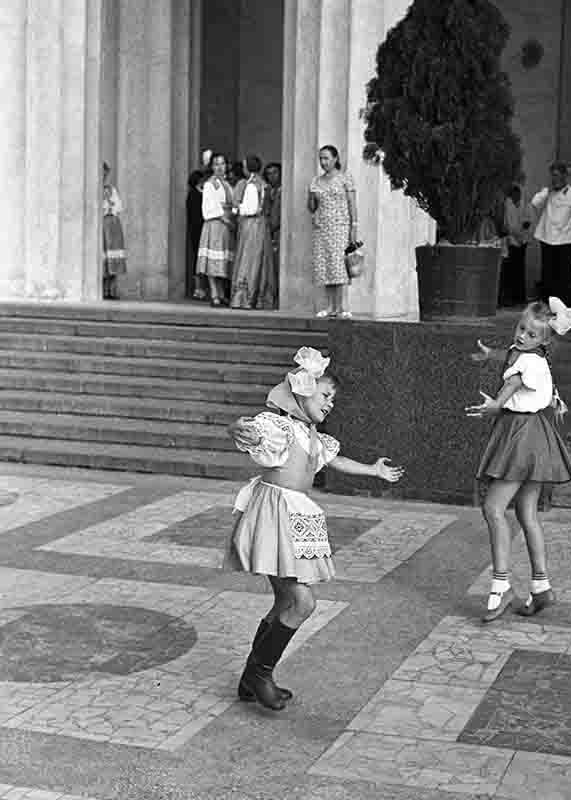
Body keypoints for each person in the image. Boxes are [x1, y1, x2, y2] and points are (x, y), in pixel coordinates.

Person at [225, 346, 404, 709]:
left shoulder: (310, 435)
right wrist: (238, 428)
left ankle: (251, 679)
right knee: (301, 600)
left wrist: (372, 469)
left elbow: (335, 458)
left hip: (288, 518)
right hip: (273, 517)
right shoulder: (278, 428)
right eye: (325, 395)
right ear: (303, 391)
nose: (330, 403)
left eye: (333, 398)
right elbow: (248, 433)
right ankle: (260, 675)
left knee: (285, 599)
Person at [466, 298, 571, 623]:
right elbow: (513, 360)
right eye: (521, 328)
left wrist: (495, 405)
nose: (522, 336)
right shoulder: (535, 357)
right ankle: (541, 585)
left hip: (520, 434)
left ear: (543, 340)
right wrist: (492, 355)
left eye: (531, 333)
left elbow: (513, 380)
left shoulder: (528, 362)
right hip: (537, 435)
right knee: (527, 512)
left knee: (493, 508)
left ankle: (500, 587)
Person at [308, 145, 358, 318]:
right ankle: (329, 306)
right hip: (322, 228)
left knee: (339, 266)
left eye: (327, 158)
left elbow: (352, 203)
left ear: (335, 159)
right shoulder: (316, 181)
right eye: (321, 158)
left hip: (340, 227)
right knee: (325, 267)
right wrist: (311, 195)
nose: (323, 162)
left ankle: (342, 306)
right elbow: (311, 207)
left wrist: (354, 227)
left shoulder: (345, 178)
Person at [531, 162, 571, 306]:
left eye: (557, 175)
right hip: (547, 237)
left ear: (564, 176)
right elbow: (535, 203)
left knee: (564, 273)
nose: (554, 179)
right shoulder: (547, 192)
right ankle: (547, 303)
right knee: (547, 272)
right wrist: (547, 191)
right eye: (552, 176)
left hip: (565, 238)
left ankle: (565, 304)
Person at [196, 152, 235, 307]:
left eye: (222, 164)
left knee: (222, 261)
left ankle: (221, 293)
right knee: (214, 260)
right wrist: (223, 217)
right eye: (216, 164)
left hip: (226, 224)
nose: (220, 167)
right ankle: (214, 294)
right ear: (212, 167)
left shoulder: (226, 184)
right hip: (216, 223)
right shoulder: (210, 184)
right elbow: (208, 207)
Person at [230, 155, 268, 309]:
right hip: (260, 225)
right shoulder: (262, 183)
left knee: (248, 259)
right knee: (257, 259)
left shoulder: (252, 185)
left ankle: (245, 298)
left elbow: (250, 209)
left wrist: (236, 208)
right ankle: (256, 296)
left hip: (252, 225)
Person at [498, 184, 530, 307]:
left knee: (520, 270)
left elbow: (527, 219)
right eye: (515, 195)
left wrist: (523, 230)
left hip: (522, 241)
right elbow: (509, 225)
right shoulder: (507, 204)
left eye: (519, 195)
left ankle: (519, 297)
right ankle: (510, 297)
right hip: (511, 241)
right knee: (510, 271)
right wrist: (518, 233)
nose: (518, 197)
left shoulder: (523, 203)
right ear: (511, 195)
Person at [258, 162, 282, 309]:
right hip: (268, 231)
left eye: (275, 172)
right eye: (269, 173)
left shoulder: (282, 191)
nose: (272, 176)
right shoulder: (267, 191)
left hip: (280, 231)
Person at [101, 162, 127, 300]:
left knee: (114, 258)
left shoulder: (111, 189)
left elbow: (118, 206)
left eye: (105, 173)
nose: (104, 176)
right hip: (102, 225)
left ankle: (112, 290)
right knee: (104, 259)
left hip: (113, 225)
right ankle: (103, 290)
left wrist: (109, 209)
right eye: (101, 172)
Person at [186, 170, 206, 300]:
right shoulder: (194, 194)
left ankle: (201, 288)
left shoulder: (197, 193)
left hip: (199, 229)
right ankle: (198, 289)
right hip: (198, 230)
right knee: (198, 259)